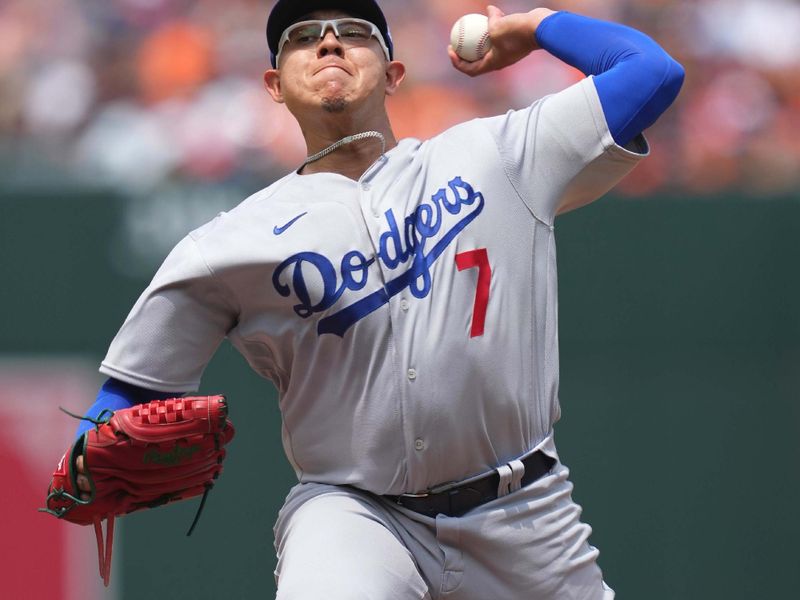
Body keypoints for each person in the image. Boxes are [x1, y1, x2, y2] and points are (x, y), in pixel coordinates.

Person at [66, 1, 684, 597]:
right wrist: (89, 446)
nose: (328, 41)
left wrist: (538, 26)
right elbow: (132, 393)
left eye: (353, 31)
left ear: (392, 74)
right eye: (303, 37)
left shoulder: (497, 155)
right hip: (355, 515)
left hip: (523, 510)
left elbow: (651, 73)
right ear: (274, 85)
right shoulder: (227, 244)